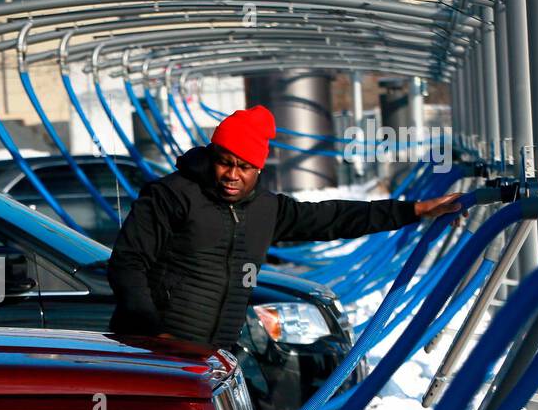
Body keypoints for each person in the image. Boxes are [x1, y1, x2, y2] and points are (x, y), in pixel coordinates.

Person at [108, 104, 462, 348]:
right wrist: (152, 334)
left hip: (212, 357)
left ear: (259, 169)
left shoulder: (265, 209)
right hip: (156, 354)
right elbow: (128, 263)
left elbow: (334, 217)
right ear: (213, 157)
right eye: (225, 162)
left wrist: (414, 210)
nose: (232, 175)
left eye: (244, 166)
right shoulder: (172, 195)